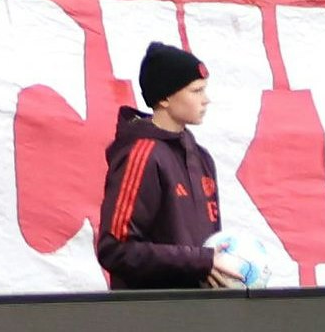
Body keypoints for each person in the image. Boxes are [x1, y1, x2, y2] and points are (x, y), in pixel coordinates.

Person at [98, 41, 243, 290]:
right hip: (153, 314)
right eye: (196, 91)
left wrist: (215, 265)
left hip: (200, 313)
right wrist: (200, 261)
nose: (206, 100)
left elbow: (205, 249)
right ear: (164, 98)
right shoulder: (141, 154)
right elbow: (115, 249)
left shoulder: (202, 158)